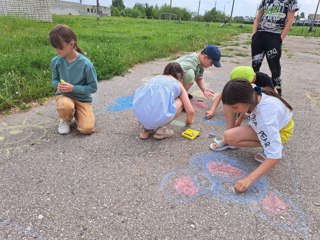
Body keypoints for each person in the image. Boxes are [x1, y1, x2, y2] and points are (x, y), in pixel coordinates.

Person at [210, 79, 294, 193]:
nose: (234, 111)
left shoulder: (265, 118)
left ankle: (268, 144)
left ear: (245, 101)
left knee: (271, 149)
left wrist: (249, 179)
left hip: (280, 131)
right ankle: (230, 142)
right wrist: (237, 123)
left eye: (236, 107)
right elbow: (243, 109)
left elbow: (275, 155)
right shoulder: (250, 91)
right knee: (229, 129)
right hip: (261, 123)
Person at [49, 24, 98, 135]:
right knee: (65, 105)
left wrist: (73, 88)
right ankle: (65, 119)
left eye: (60, 47)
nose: (57, 50)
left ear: (71, 44)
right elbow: (54, 80)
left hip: (82, 99)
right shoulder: (55, 61)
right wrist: (57, 85)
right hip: (65, 96)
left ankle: (80, 112)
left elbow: (93, 88)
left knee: (87, 129)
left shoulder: (86, 64)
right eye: (55, 47)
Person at [133, 62, 194, 140]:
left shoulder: (154, 78)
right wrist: (189, 122)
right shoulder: (177, 83)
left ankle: (147, 130)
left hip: (140, 117)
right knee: (181, 101)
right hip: (154, 119)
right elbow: (190, 111)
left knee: (154, 102)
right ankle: (160, 130)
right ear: (179, 75)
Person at [252, 0, 299, 96]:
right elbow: (257, 19)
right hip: (260, 35)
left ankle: (277, 95)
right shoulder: (265, 1)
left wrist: (280, 39)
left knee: (275, 68)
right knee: (255, 66)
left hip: (275, 36)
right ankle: (254, 93)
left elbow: (290, 20)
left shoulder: (291, 1)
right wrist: (254, 35)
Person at [205, 66, 275, 120]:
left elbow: (274, 95)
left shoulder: (264, 79)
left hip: (263, 101)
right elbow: (222, 95)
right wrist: (212, 110)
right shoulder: (246, 79)